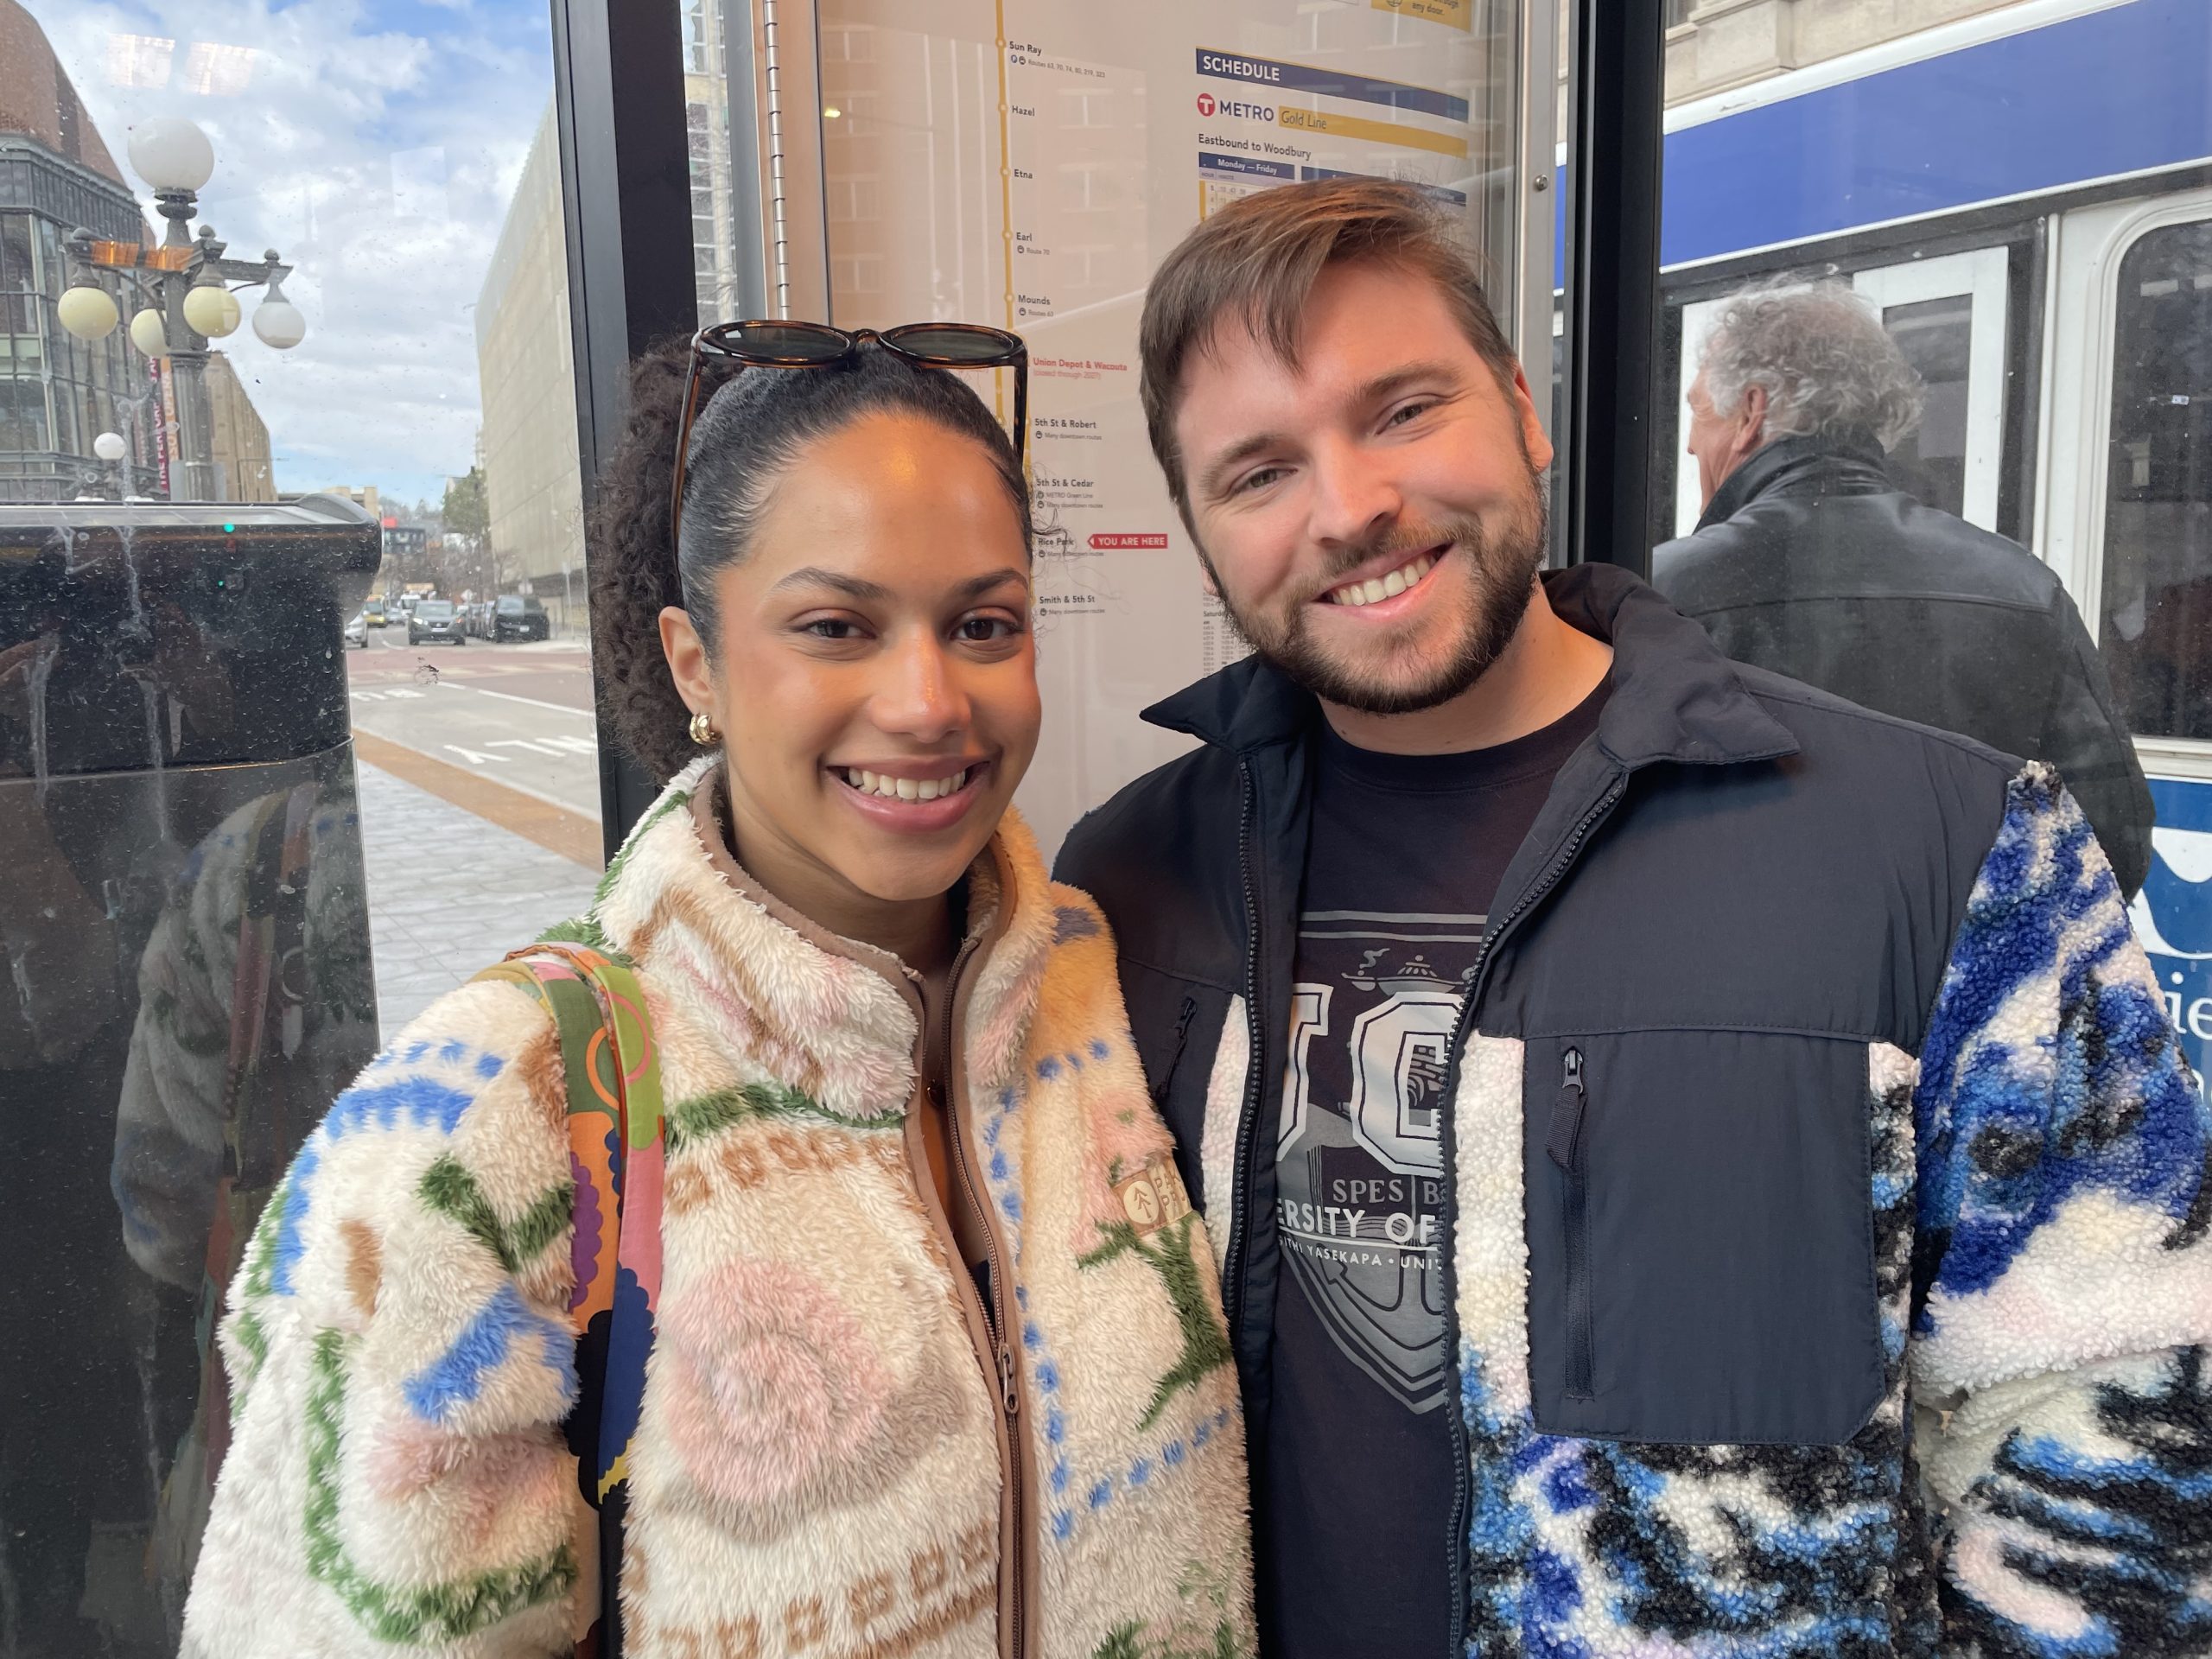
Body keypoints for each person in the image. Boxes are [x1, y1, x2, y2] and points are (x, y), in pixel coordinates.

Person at [1055, 177, 2212, 1659]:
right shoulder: (1128, 888)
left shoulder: (1955, 853)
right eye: (1258, 471)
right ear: (1202, 528)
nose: (1348, 507)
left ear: (1526, 411)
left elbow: (2117, 1457)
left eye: (1404, 410)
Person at [181, 331, 1255, 1657]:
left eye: (983, 624)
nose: (928, 701)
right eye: (835, 627)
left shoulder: (1103, 985)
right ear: (695, 662)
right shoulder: (487, 1119)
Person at [1653, 279, 2155, 898]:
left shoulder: (1660, 592)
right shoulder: (2022, 586)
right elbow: (2113, 843)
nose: (1689, 440)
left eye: (1699, 411)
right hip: (1946, 987)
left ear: (1751, 411)